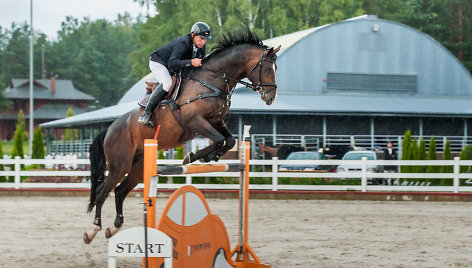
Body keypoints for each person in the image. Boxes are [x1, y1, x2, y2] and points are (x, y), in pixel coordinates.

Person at [138, 22, 211, 126]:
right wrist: (191, 62)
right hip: (159, 62)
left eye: (205, 39)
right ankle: (146, 114)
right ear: (193, 35)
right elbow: (172, 64)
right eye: (201, 38)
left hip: (173, 65)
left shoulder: (200, 46)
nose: (203, 42)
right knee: (167, 83)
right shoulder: (183, 43)